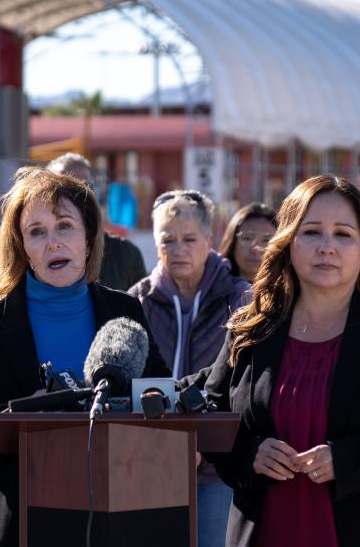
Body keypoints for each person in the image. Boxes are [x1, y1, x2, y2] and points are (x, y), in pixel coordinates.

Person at [184, 174, 360, 547]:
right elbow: (212, 413)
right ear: (288, 242)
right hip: (271, 531)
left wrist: (349, 460)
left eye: (343, 234)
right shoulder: (252, 329)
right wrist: (248, 453)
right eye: (312, 231)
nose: (326, 247)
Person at [0, 166, 171, 547]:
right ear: (21, 247)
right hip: (23, 517)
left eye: (64, 226)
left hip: (119, 510)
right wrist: (27, 416)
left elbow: (160, 398)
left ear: (89, 238)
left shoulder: (126, 310)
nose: (52, 242)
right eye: (36, 232)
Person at [127, 189, 249, 547]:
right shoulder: (136, 300)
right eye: (168, 239)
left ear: (210, 240)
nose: (178, 249)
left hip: (218, 468)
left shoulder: (241, 300)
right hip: (152, 464)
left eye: (189, 239)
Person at [47, 152, 147, 290]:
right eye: (63, 188)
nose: (77, 195)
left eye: (86, 186)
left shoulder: (127, 254)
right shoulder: (35, 251)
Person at [217, 203, 277, 282]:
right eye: (247, 238)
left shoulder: (290, 291)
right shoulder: (212, 288)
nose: (256, 249)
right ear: (232, 242)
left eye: (266, 240)